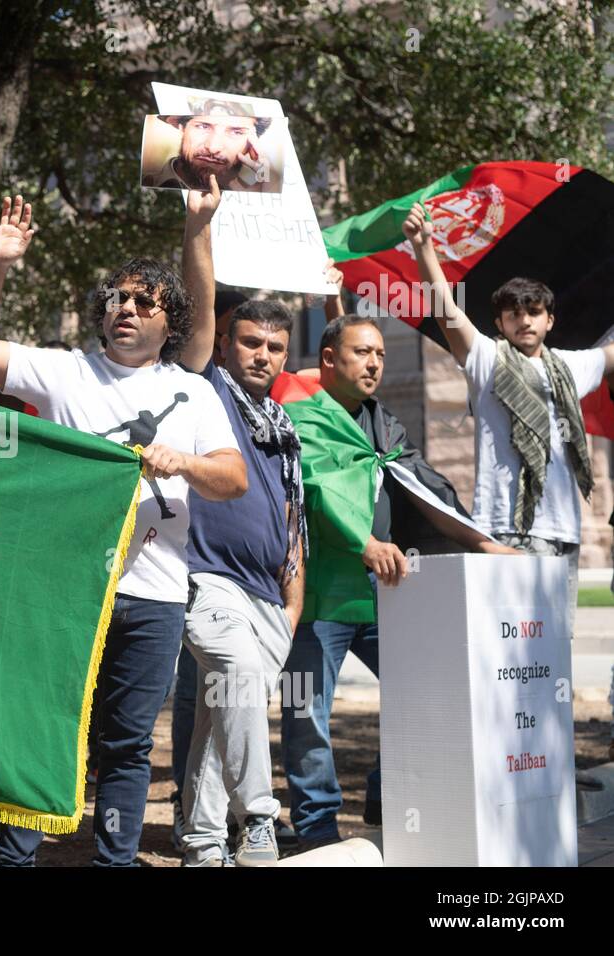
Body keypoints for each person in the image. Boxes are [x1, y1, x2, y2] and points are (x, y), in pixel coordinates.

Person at [0, 194, 248, 866]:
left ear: (169, 322)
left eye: (145, 303)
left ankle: (112, 860)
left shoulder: (194, 392)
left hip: (156, 595)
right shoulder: (62, 371)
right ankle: (15, 856)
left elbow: (234, 479)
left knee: (127, 742)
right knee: (43, 726)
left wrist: (185, 462)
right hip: (63, 591)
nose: (127, 309)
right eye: (116, 298)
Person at [279, 314, 517, 850]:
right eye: (362, 352)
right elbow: (313, 487)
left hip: (386, 595)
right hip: (321, 596)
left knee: (424, 692)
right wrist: (363, 544)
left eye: (381, 354)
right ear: (329, 359)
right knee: (307, 713)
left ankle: (390, 799)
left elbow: (421, 484)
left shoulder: (383, 422)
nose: (374, 363)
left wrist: (478, 541)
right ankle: (316, 829)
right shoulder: (300, 416)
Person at [168, 179, 303, 866]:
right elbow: (197, 311)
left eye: (275, 348)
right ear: (225, 345)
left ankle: (200, 843)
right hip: (208, 583)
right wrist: (200, 229)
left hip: (267, 599)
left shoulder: (283, 426)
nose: (262, 355)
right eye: (249, 342)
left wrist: (291, 605)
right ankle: (260, 817)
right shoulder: (203, 387)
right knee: (240, 684)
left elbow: (291, 523)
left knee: (223, 719)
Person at [402, 202, 614, 624]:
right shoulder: (486, 360)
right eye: (514, 314)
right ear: (499, 323)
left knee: (556, 652)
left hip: (564, 532)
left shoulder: (571, 366)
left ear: (549, 320)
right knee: (511, 651)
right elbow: (445, 310)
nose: (524, 321)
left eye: (533, 312)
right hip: (508, 530)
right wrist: (424, 248)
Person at [146, 103, 272, 191]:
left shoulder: (251, 195)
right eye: (203, 126)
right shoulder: (148, 186)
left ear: (251, 144)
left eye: (236, 132)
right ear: (182, 128)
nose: (213, 147)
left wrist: (258, 203)